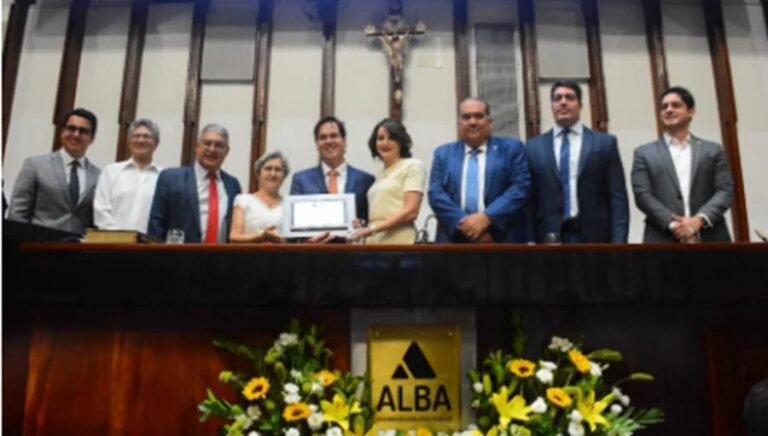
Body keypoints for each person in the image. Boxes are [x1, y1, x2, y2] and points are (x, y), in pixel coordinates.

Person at [526, 81, 629, 243]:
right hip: (549, 236)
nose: (563, 102)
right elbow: (529, 200)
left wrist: (619, 241)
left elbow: (617, 197)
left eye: (570, 97)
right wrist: (529, 240)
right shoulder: (533, 147)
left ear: (580, 105)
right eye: (557, 98)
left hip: (595, 236)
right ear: (551, 107)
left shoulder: (604, 143)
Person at [631, 86, 734, 243]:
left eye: (676, 105)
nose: (669, 110)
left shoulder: (713, 150)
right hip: (662, 237)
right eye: (664, 107)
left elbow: (725, 190)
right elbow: (642, 195)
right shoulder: (644, 153)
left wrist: (698, 220)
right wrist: (674, 225)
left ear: (691, 111)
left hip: (710, 237)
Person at [428, 97, 531, 243]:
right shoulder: (443, 154)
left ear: (490, 121)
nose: (472, 122)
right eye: (466, 117)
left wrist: (487, 218)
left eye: (478, 116)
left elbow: (521, 188)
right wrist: (467, 225)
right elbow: (436, 195)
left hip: (501, 239)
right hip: (453, 240)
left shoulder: (512, 149)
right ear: (459, 122)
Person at [8, 108, 101, 235]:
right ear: (62, 132)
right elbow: (18, 212)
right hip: (38, 246)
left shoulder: (99, 176)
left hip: (78, 250)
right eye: (71, 128)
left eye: (83, 131)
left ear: (92, 138)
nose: (76, 134)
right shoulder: (35, 165)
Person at [147, 123, 242, 243]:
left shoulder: (232, 184)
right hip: (178, 258)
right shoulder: (170, 178)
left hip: (220, 259)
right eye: (207, 143)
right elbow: (156, 224)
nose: (212, 149)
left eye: (219, 145)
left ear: (227, 151)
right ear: (197, 147)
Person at [353, 118, 426, 244]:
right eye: (380, 138)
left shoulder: (413, 166)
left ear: (401, 142)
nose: (385, 143)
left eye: (391, 138)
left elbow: (411, 212)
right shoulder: (378, 176)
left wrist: (373, 229)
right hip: (373, 244)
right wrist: (363, 227)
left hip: (399, 244)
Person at [290, 116, 375, 223]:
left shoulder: (365, 180)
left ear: (344, 141)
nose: (329, 141)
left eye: (334, 136)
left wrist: (361, 226)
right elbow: (294, 221)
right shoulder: (301, 180)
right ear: (316, 144)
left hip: (352, 239)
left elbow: (372, 220)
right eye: (323, 137)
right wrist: (310, 240)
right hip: (312, 240)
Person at [93, 118, 162, 233]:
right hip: (113, 245)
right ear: (129, 141)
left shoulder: (164, 176)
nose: (141, 140)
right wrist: (121, 238)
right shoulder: (111, 171)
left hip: (150, 246)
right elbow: (101, 210)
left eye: (147, 136)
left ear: (156, 143)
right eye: (136, 136)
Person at [229, 151, 289, 243]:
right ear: (258, 174)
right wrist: (261, 235)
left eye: (278, 170)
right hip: (249, 255)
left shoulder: (288, 204)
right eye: (268, 169)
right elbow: (234, 237)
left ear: (284, 176)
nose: (273, 174)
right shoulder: (243, 201)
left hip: (282, 256)